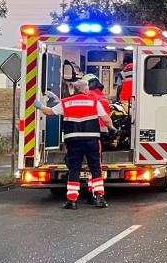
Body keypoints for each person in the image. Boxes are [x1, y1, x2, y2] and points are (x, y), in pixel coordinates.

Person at [34, 79, 111, 209]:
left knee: (74, 169)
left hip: (73, 142)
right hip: (92, 141)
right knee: (95, 168)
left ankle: (72, 200)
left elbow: (49, 112)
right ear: (85, 90)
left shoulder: (66, 102)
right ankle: (99, 198)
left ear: (74, 90)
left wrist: (39, 105)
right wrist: (112, 128)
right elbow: (106, 120)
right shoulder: (94, 102)